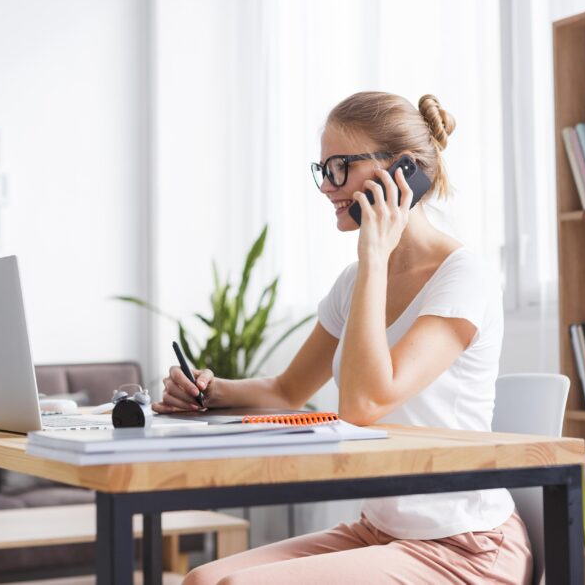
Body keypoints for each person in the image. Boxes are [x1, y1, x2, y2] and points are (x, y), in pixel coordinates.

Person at [155, 92, 532, 585]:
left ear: (403, 173)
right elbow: (288, 391)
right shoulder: (355, 281)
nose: (326, 186)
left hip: (465, 546)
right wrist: (208, 391)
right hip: (379, 532)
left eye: (340, 168)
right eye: (323, 169)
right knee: (202, 581)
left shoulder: (463, 277)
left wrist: (376, 254)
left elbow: (364, 402)